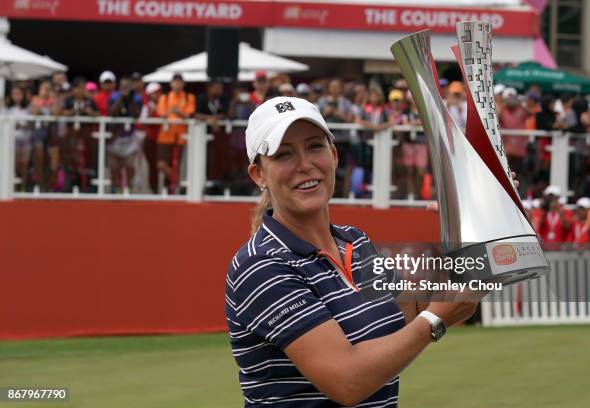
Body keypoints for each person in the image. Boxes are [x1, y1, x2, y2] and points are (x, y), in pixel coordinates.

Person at [226, 96, 480, 407]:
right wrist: (434, 322)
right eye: (284, 155)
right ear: (259, 174)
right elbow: (348, 381)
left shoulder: (354, 242)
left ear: (333, 155)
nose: (305, 165)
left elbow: (412, 310)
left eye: (314, 146)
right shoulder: (261, 265)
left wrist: (471, 233)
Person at [156, 74, 195, 193]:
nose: (177, 84)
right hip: (165, 137)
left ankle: (179, 188)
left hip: (183, 137)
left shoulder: (189, 97)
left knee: (181, 165)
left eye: (179, 82)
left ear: (183, 84)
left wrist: (177, 112)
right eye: (175, 82)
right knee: (161, 164)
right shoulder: (164, 97)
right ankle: (176, 180)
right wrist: (172, 111)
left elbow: (189, 115)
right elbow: (161, 114)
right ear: (171, 84)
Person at [62, 77, 99, 191]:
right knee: (71, 159)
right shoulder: (69, 100)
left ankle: (87, 186)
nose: (80, 91)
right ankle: (71, 184)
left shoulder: (90, 100)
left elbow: (97, 114)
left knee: (88, 160)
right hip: (72, 135)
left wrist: (89, 111)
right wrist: (74, 110)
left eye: (82, 88)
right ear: (74, 89)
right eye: (78, 88)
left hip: (86, 135)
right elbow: (62, 112)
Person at [108, 76, 143, 192]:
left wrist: (130, 99)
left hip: (130, 137)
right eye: (122, 87)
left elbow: (136, 115)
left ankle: (129, 188)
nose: (125, 90)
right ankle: (115, 188)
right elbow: (112, 113)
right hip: (116, 136)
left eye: (127, 87)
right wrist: (121, 99)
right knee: (114, 165)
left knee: (129, 165)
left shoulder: (137, 98)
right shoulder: (114, 96)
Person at [7, 86, 32, 191]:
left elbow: (31, 124)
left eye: (19, 93)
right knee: (15, 165)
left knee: (24, 165)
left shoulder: (28, 109)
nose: (17, 96)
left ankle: (23, 187)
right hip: (13, 140)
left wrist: (25, 126)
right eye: (15, 94)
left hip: (26, 139)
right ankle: (13, 188)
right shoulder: (8, 110)